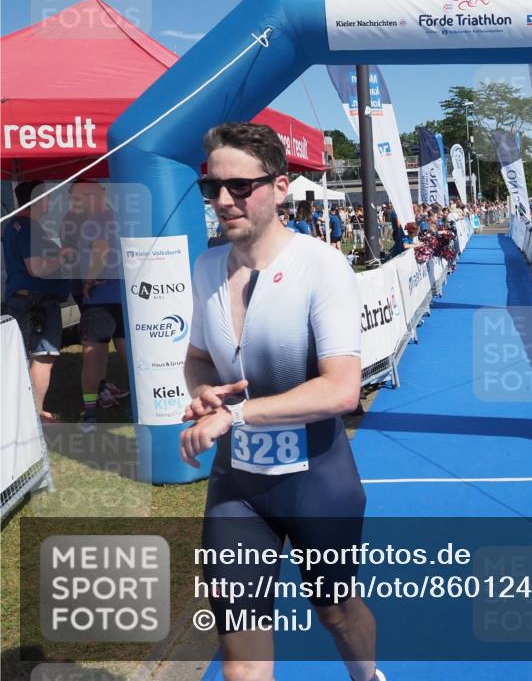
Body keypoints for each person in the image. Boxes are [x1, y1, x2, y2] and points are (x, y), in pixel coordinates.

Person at [181, 123, 383, 681]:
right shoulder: (204, 269)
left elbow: (342, 388)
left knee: (338, 613)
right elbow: (198, 358)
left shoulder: (322, 266)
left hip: (316, 480)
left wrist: (235, 415)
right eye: (211, 187)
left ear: (281, 185)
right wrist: (203, 391)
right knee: (239, 652)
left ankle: (368, 676)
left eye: (240, 187)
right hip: (237, 490)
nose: (223, 200)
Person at [2, 182, 71, 422]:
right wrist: (63, 256)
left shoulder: (18, 226)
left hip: (27, 301)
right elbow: (37, 268)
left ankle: (24, 413)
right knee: (43, 356)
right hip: (36, 303)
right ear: (36, 199)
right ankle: (35, 415)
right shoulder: (29, 227)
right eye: (47, 197)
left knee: (26, 357)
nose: (50, 202)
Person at [71, 181, 130, 433]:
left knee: (93, 356)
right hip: (124, 296)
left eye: (78, 198)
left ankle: (90, 414)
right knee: (129, 355)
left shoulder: (95, 221)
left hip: (101, 298)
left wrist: (89, 280)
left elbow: (101, 250)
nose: (76, 203)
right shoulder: (115, 217)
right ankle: (142, 404)